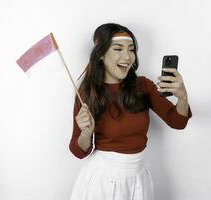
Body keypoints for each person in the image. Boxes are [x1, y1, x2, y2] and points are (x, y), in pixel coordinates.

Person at [69, 23, 192, 200]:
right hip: (103, 180)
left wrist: (183, 98)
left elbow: (178, 122)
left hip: (139, 177)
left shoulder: (143, 86)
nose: (127, 57)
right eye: (118, 49)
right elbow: (78, 151)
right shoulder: (87, 94)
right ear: (101, 54)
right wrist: (86, 134)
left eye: (131, 49)